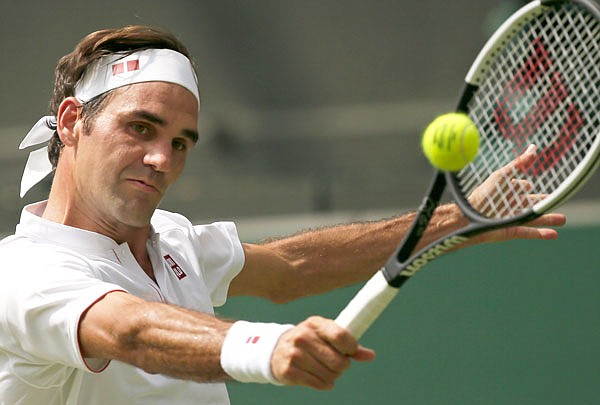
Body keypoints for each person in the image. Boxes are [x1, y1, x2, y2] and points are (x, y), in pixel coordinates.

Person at [0, 25, 566, 404]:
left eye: (181, 142)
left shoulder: (172, 240)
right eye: (141, 127)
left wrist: (456, 221)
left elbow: (290, 269)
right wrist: (265, 348)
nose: (161, 158)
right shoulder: (21, 274)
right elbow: (129, 329)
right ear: (73, 121)